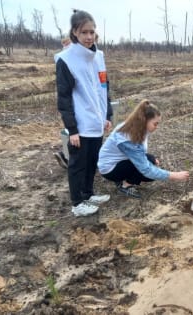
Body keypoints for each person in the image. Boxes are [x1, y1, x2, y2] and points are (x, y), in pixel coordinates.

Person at [55, 9, 112, 217]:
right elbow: (64, 98)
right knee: (78, 164)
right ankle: (77, 202)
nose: (89, 37)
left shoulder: (99, 57)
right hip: (80, 123)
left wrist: (108, 115)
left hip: (97, 120)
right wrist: (72, 130)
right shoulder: (66, 60)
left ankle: (88, 193)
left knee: (92, 160)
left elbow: (104, 86)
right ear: (74, 33)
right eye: (84, 32)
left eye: (92, 32)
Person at [97, 99, 190, 198]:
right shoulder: (127, 138)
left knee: (151, 160)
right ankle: (125, 185)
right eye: (155, 123)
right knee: (148, 173)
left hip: (119, 161)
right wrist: (175, 175)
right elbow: (147, 170)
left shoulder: (138, 127)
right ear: (144, 120)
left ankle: (124, 177)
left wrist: (151, 159)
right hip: (109, 169)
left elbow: (139, 150)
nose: (157, 127)